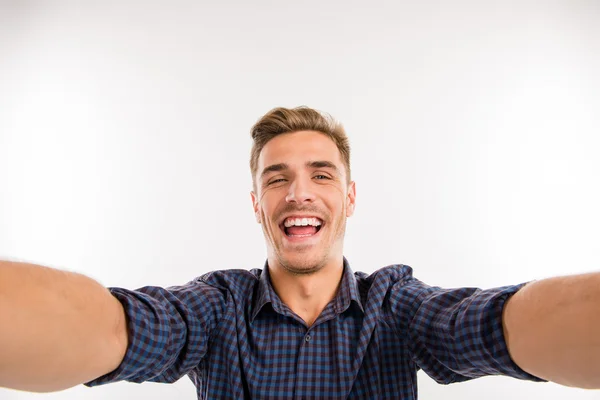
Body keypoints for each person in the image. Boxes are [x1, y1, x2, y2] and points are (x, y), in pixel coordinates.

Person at [1, 106, 599, 399]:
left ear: (350, 196)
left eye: (321, 173)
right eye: (277, 177)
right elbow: (113, 328)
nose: (300, 193)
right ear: (257, 203)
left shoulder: (396, 305)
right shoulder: (216, 307)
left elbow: (504, 325)